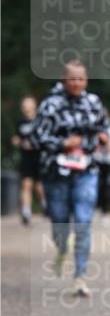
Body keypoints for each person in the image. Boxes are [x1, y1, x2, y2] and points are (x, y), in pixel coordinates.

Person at [31, 60, 108, 297]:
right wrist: (62, 144)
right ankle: (62, 247)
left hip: (86, 171)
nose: (77, 83)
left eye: (81, 79)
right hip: (56, 173)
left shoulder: (93, 102)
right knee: (60, 223)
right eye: (72, 79)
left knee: (84, 223)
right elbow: (36, 137)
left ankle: (80, 277)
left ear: (86, 80)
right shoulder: (50, 105)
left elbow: (104, 126)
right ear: (64, 80)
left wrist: (103, 137)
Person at [11, 95, 46, 224]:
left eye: (28, 104)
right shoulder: (21, 122)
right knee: (26, 184)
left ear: (34, 105)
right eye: (24, 104)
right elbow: (19, 137)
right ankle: (26, 211)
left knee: (39, 185)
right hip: (26, 156)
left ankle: (45, 205)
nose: (26, 107)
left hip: (39, 156)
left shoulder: (40, 120)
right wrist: (17, 141)